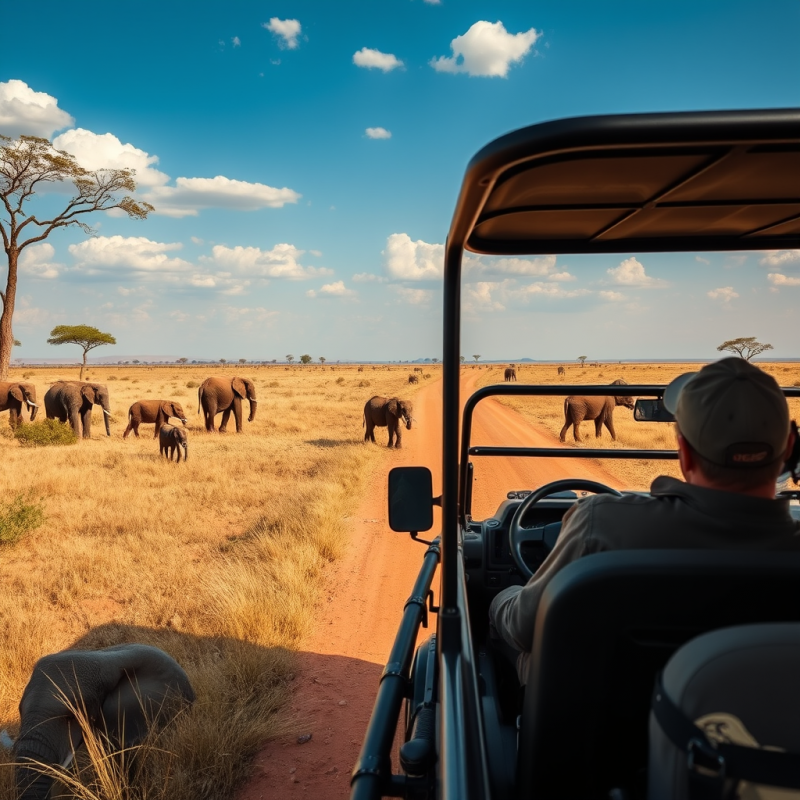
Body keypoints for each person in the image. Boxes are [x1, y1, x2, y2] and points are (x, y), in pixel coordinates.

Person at [489, 357, 800, 683]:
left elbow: (524, 629)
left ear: (683, 451)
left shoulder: (601, 522)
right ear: (790, 445)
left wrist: (501, 598)